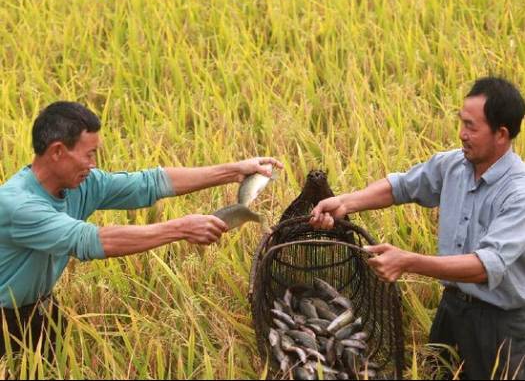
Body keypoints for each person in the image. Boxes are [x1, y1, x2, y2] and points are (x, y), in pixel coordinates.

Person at [0, 101, 282, 358]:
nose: (93, 164)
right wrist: (180, 228)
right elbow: (90, 240)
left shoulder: (82, 183)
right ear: (58, 152)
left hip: (42, 309)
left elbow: (148, 183)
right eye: (88, 155)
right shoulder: (19, 205)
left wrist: (233, 171)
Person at [310, 77, 525, 380]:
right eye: (461, 123)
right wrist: (346, 202)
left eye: (472, 127)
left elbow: (485, 266)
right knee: (437, 373)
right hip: (452, 310)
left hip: (499, 325)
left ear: (501, 134)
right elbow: (402, 186)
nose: (462, 134)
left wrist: (408, 261)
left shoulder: (519, 193)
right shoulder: (454, 165)